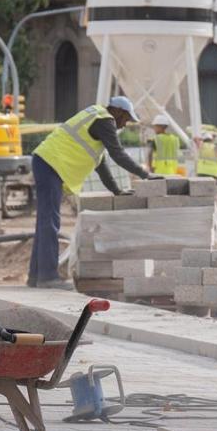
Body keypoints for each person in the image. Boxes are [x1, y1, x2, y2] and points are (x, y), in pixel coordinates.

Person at [28, 96, 158, 289]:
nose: (124, 124)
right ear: (118, 112)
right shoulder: (105, 120)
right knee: (49, 222)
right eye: (126, 119)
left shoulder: (97, 119)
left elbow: (101, 165)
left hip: (47, 163)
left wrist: (117, 191)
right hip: (50, 164)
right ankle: (47, 277)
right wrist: (145, 175)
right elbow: (118, 154)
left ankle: (36, 276)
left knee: (45, 222)